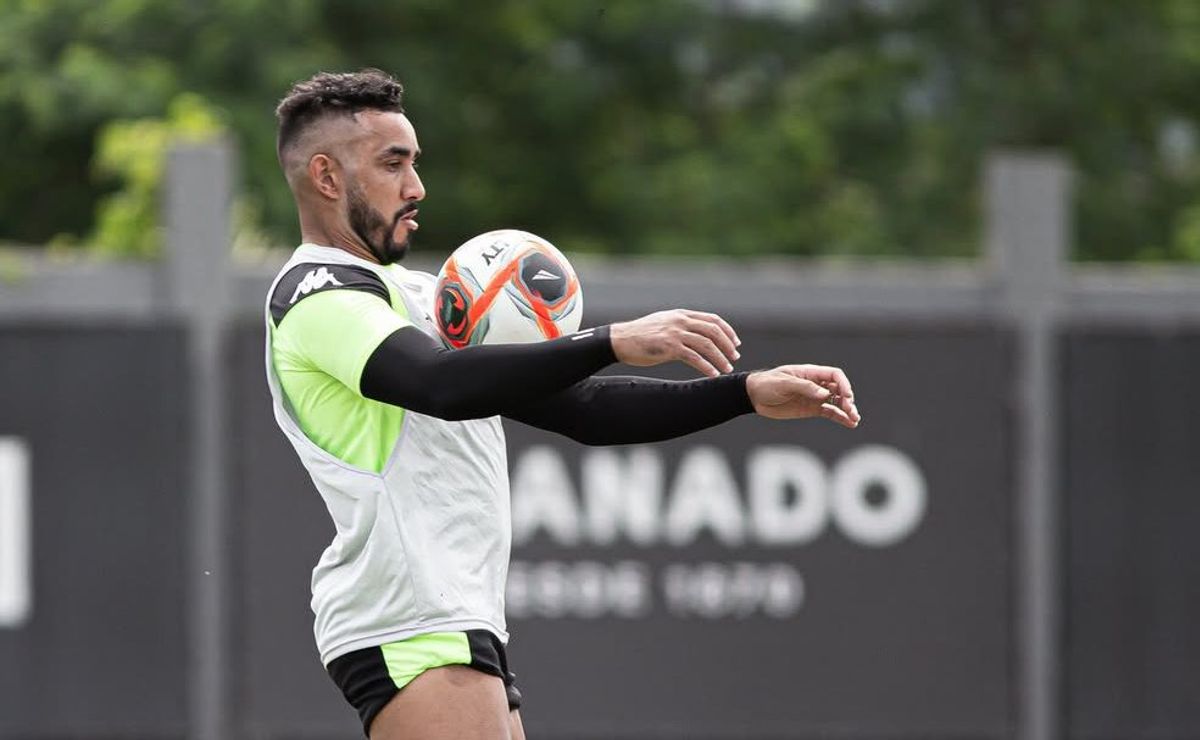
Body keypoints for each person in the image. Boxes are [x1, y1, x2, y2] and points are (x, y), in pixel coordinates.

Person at [266, 68, 861, 740]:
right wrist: (610, 339)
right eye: (393, 163)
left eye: (415, 163)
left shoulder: (416, 296)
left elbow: (583, 410)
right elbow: (440, 385)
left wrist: (745, 393)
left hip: (447, 615)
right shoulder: (316, 296)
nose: (416, 187)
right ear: (325, 176)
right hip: (410, 619)